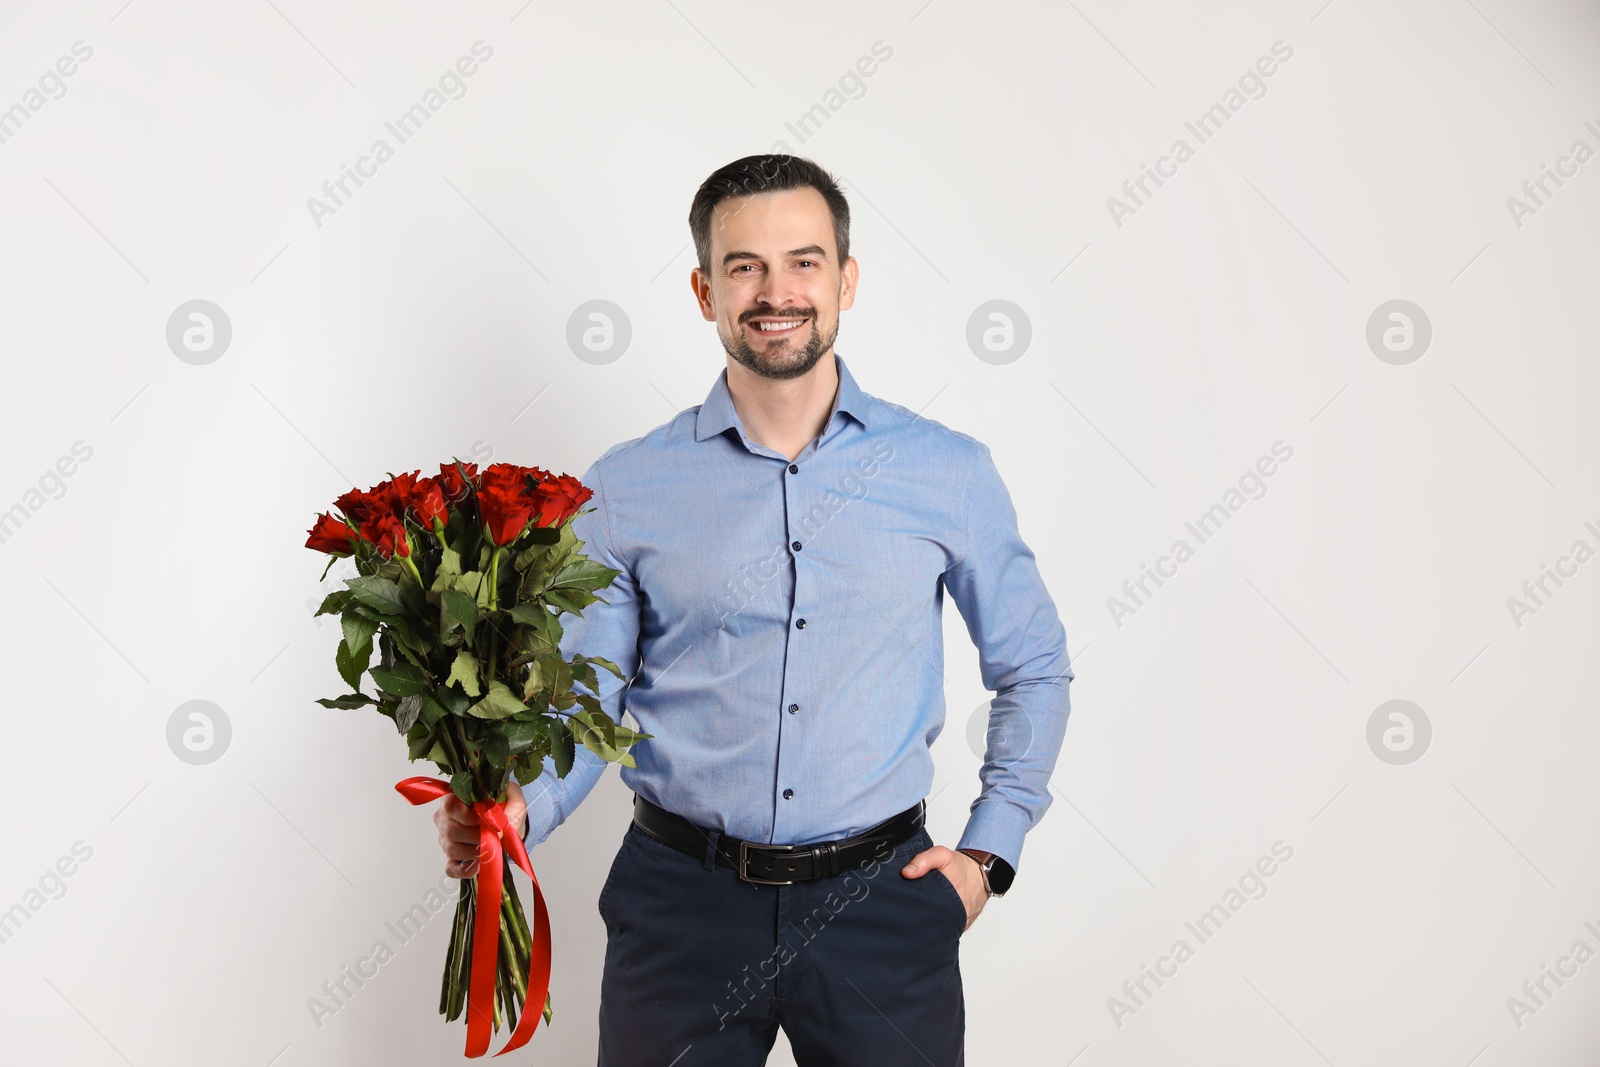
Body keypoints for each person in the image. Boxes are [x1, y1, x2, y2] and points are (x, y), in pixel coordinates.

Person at [435, 153, 1073, 1065]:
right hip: (679, 908)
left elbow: (1034, 668)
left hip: (881, 903)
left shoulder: (949, 472)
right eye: (745, 267)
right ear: (705, 290)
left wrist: (988, 854)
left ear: (846, 279)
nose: (778, 291)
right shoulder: (625, 487)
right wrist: (513, 817)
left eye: (804, 261)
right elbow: (591, 700)